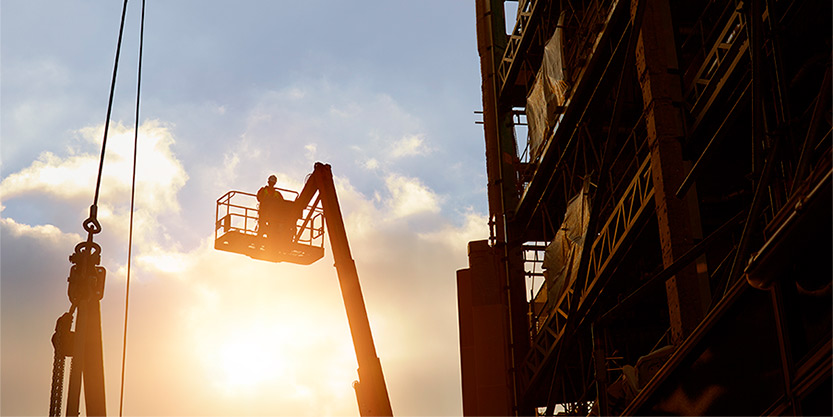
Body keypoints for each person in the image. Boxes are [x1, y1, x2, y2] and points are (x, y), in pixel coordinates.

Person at [256, 175, 295, 246]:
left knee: (272, 227)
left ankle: (269, 238)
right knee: (263, 226)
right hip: (265, 213)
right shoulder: (263, 190)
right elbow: (259, 198)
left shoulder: (277, 193)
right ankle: (261, 237)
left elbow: (282, 204)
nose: (272, 183)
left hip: (273, 215)